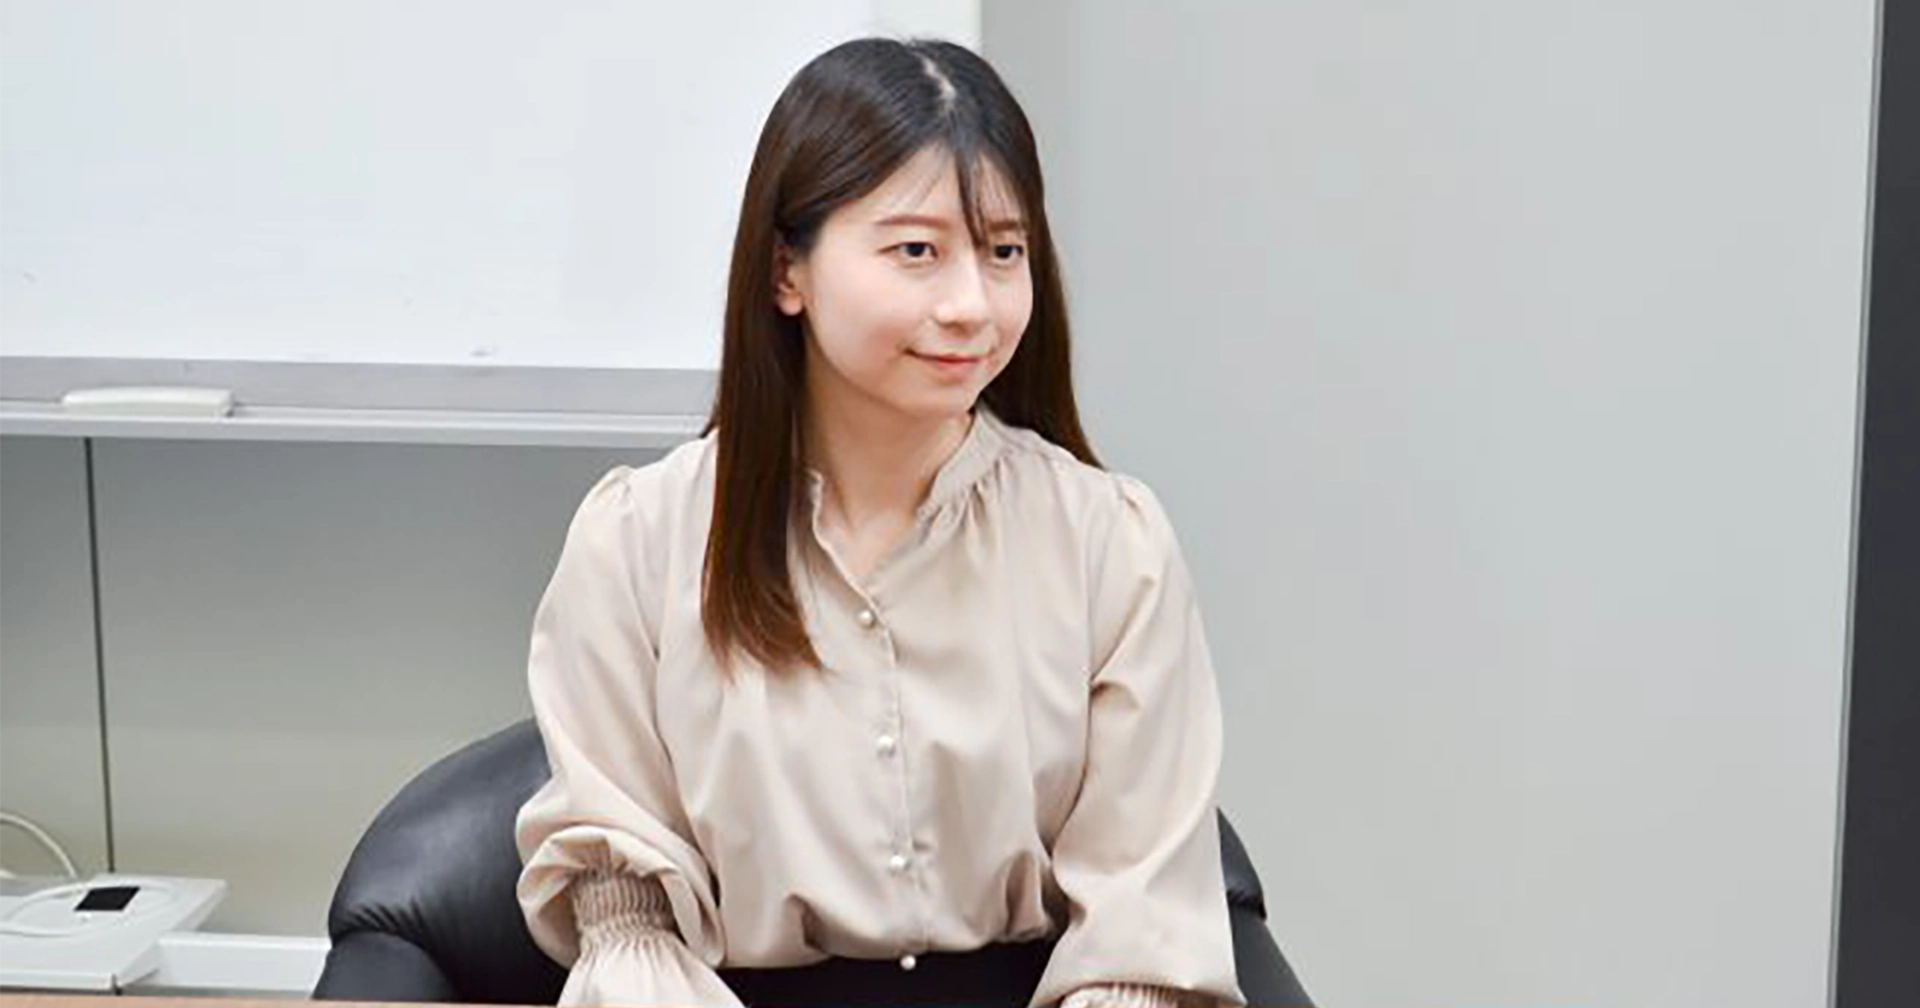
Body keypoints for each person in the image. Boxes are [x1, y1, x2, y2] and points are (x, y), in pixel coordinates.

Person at [513, 37, 1245, 1008]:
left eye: (1004, 251)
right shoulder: (636, 542)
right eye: (917, 252)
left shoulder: (1112, 543)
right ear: (788, 270)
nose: (971, 305)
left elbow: (1138, 944)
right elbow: (629, 929)